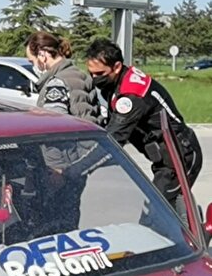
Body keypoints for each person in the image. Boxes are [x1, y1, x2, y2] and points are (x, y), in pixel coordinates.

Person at [84, 38, 203, 213]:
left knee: (156, 215)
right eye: (91, 73)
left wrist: (80, 168)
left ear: (117, 67)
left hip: (179, 157)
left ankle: (193, 235)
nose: (95, 79)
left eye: (100, 74)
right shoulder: (119, 80)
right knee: (168, 211)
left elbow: (114, 138)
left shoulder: (132, 95)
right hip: (165, 158)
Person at [25, 30, 99, 122]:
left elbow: (54, 124)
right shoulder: (82, 75)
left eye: (32, 61)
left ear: (42, 55)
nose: (33, 66)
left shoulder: (56, 83)